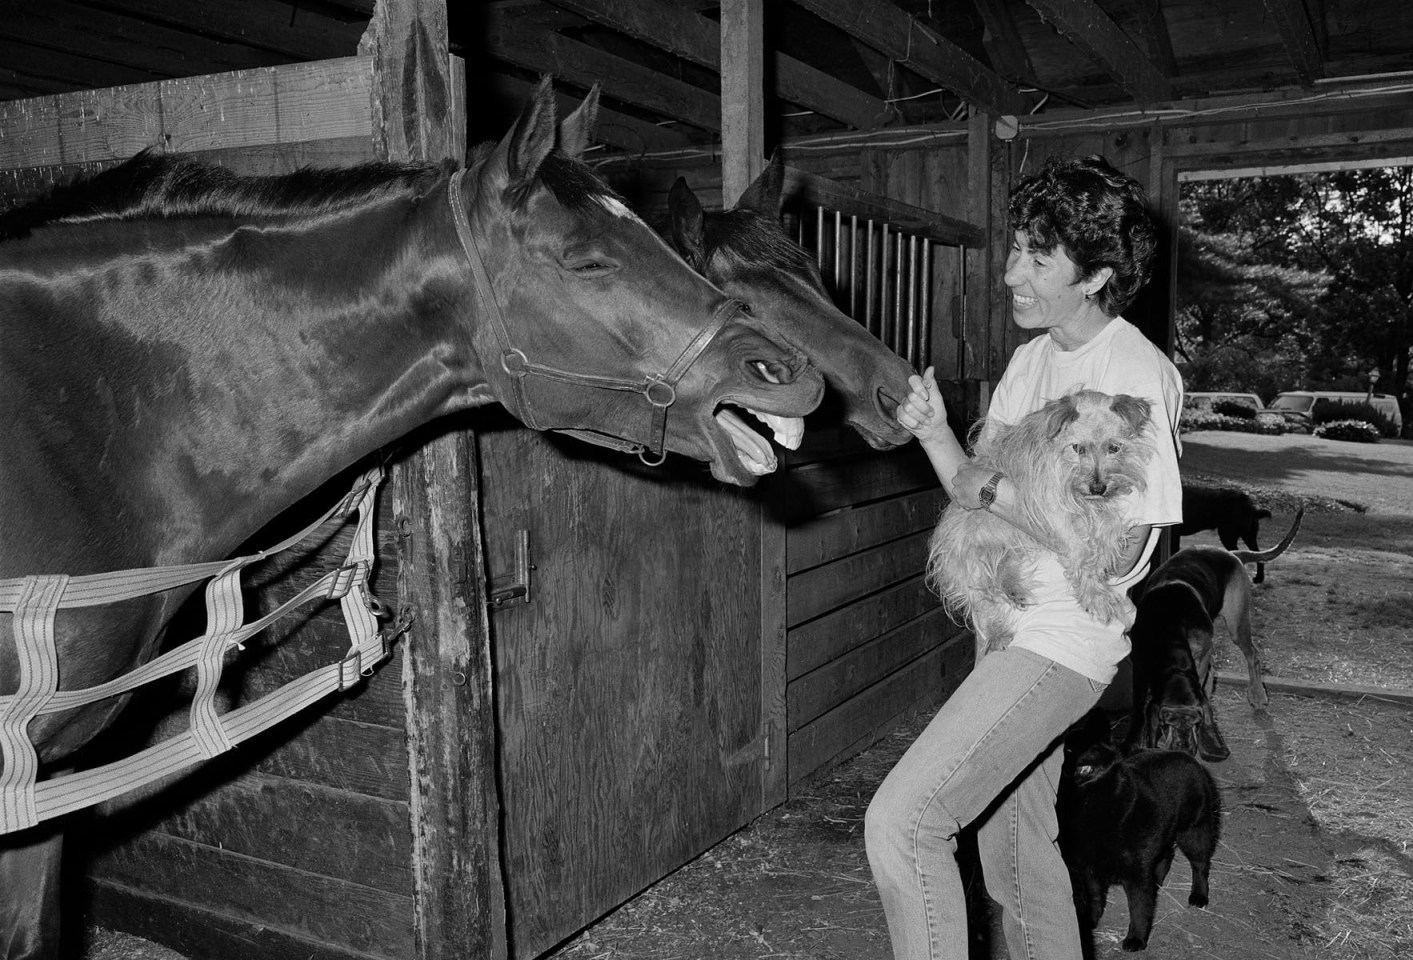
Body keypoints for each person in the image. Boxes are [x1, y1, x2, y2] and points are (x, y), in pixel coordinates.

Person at [865, 155, 1184, 960]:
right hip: (1002, 625)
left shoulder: (1131, 372)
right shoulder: (1032, 361)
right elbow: (973, 491)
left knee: (905, 824)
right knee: (1012, 847)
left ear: (1095, 276)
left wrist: (1008, 500)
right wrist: (935, 431)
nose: (1011, 271)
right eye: (1015, 249)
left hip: (1060, 639)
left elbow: (1126, 557)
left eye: (1037, 258)